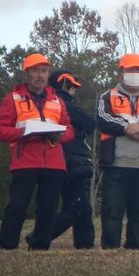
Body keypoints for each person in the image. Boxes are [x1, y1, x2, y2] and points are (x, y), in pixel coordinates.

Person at [0, 53, 74, 250]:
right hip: (25, 161)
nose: (40, 75)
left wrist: (59, 136)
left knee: (48, 207)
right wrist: (24, 132)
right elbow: (0, 129)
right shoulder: (12, 99)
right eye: (35, 71)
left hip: (54, 162)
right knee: (17, 206)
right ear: (27, 74)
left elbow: (69, 130)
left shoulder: (57, 101)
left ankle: (40, 245)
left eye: (44, 71)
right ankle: (6, 245)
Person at [97, 53, 139, 249]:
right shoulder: (107, 96)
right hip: (115, 165)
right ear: (120, 74)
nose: (135, 73)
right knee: (112, 211)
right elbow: (104, 120)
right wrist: (126, 128)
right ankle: (110, 249)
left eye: (138, 70)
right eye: (130, 70)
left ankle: (135, 249)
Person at [48, 69, 96, 249]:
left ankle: (85, 245)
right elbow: (91, 123)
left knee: (81, 207)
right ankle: (41, 236)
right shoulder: (64, 104)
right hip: (72, 160)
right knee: (75, 207)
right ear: (64, 85)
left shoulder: (48, 103)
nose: (74, 91)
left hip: (59, 160)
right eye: (72, 86)